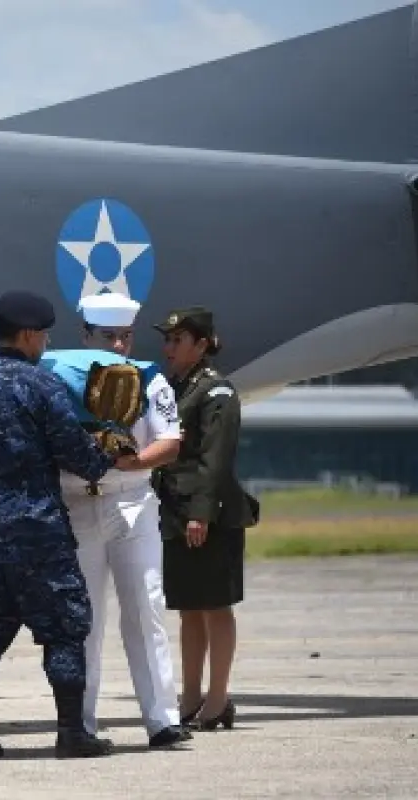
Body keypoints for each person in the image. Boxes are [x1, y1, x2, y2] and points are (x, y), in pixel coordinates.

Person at [0, 290, 134, 760]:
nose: (46, 343)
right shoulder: (42, 387)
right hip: (36, 528)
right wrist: (109, 449)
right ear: (30, 335)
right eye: (45, 335)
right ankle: (72, 732)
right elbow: (81, 458)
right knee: (66, 628)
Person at [61, 293, 189, 748]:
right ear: (85, 336)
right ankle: (82, 722)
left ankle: (162, 718)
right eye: (108, 337)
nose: (118, 346)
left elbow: (170, 441)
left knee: (146, 608)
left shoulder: (150, 381)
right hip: (77, 504)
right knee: (84, 621)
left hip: (131, 502)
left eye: (124, 337)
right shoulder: (62, 381)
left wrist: (130, 464)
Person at [151, 306, 259, 732]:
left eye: (178, 341)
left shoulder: (217, 392)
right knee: (189, 609)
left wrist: (201, 513)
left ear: (202, 345)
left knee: (216, 606)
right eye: (168, 340)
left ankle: (218, 700)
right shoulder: (175, 389)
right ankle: (191, 695)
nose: (169, 348)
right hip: (177, 511)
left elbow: (216, 459)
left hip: (210, 515)